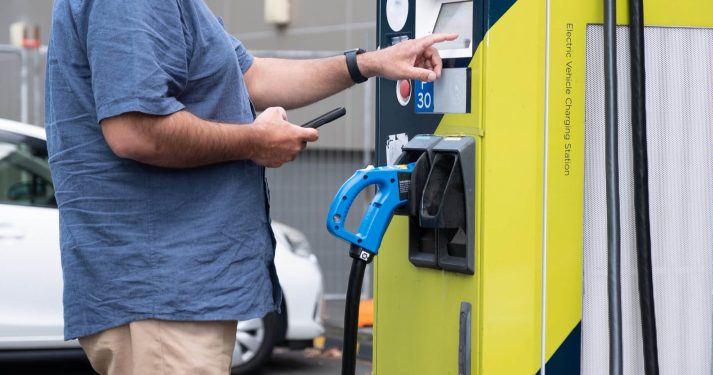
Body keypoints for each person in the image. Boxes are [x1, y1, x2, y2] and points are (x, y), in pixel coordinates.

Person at [45, 0, 455, 374]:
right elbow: (135, 131)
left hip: (173, 291)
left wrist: (369, 63)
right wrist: (254, 142)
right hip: (162, 290)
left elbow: (252, 76)